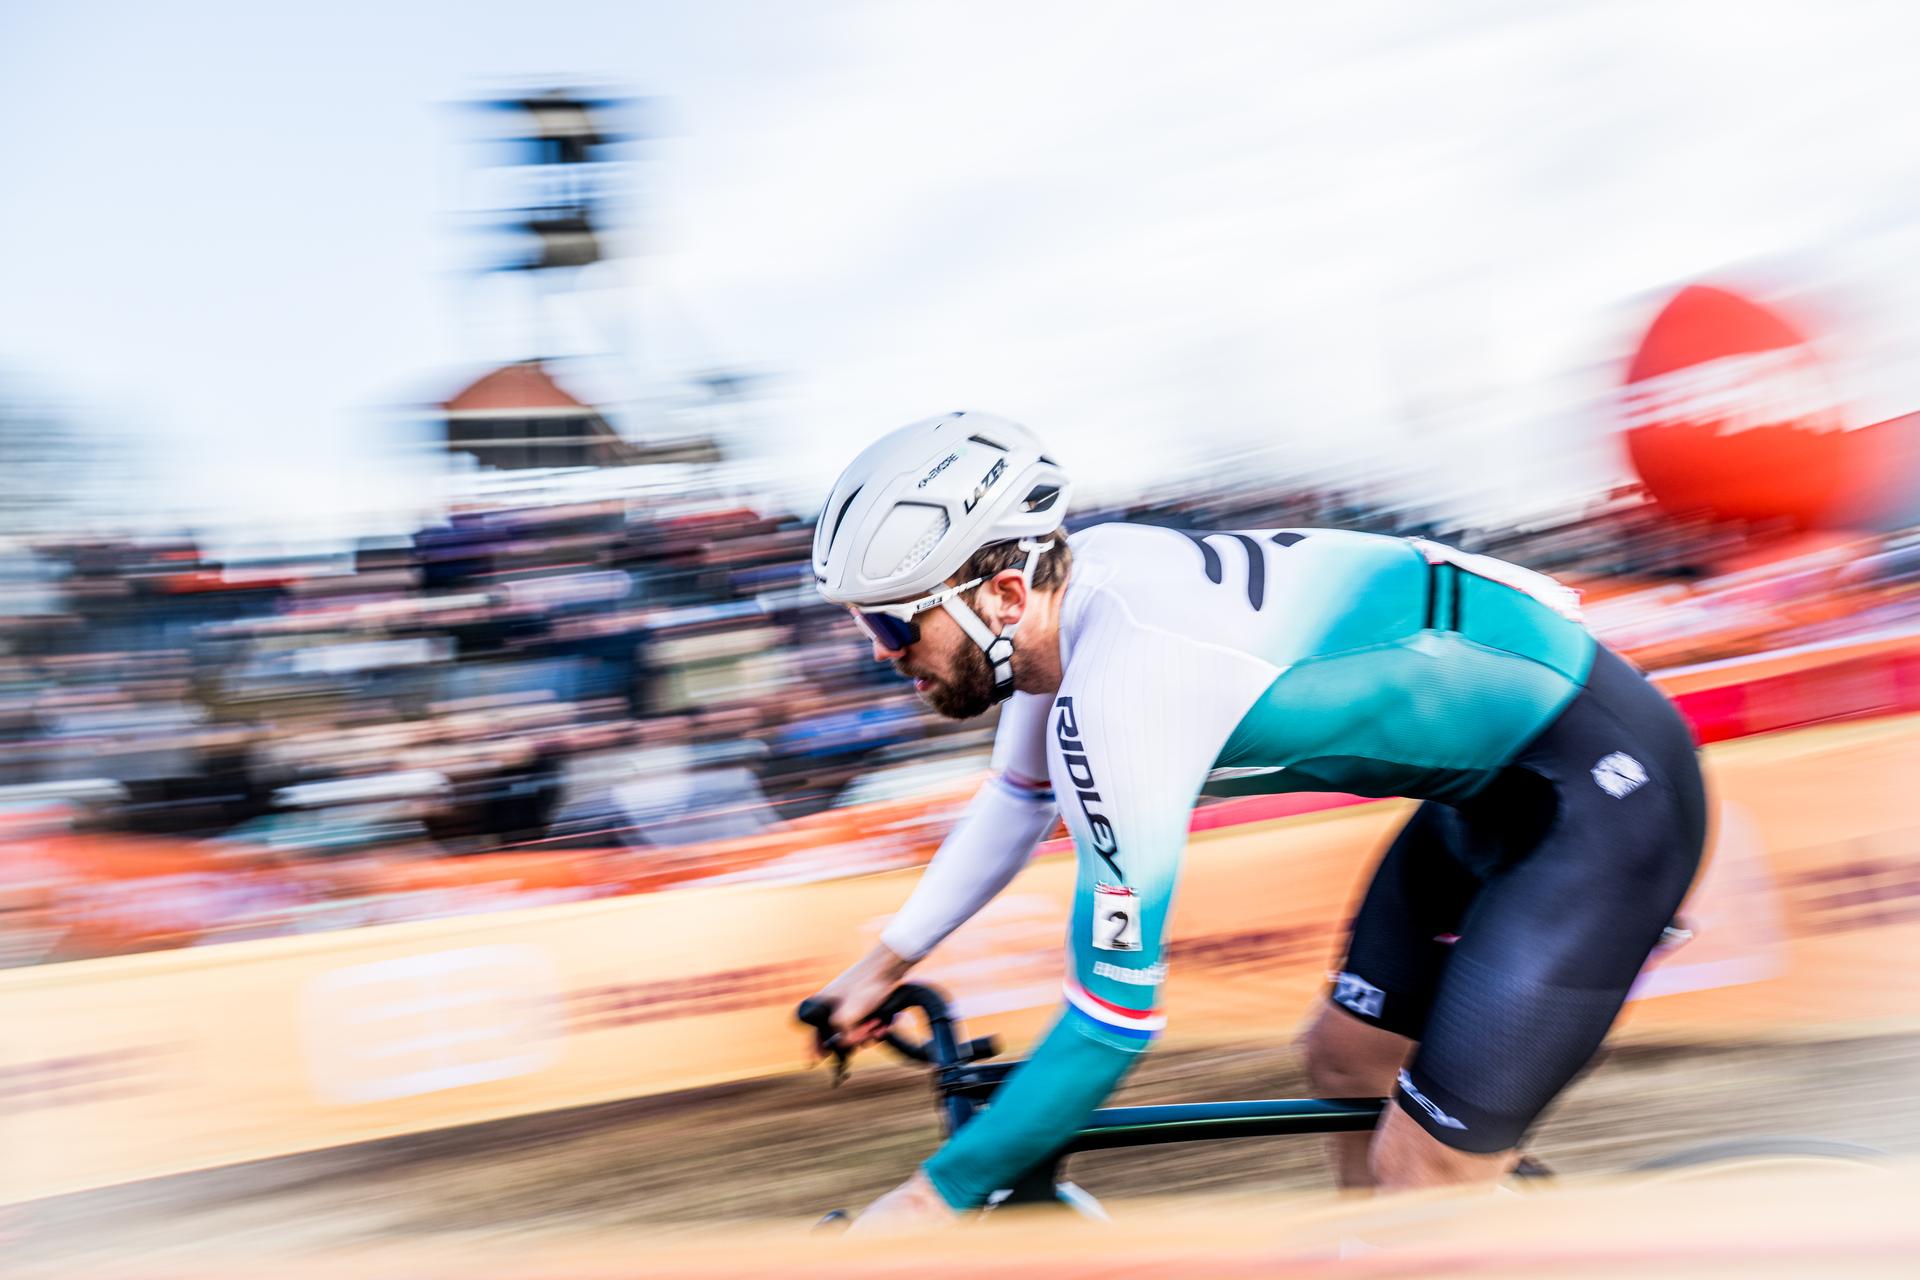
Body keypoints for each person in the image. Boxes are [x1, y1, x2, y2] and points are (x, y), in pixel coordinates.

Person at [803, 412, 1706, 1228]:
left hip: (1601, 796)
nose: (884, 656)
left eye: (892, 629)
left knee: (1420, 1170)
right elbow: (1014, 801)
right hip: (1491, 796)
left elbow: (1111, 1021)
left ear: (1001, 599)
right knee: (1346, 1062)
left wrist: (934, 1197)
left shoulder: (1128, 685)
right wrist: (881, 965)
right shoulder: (1074, 599)